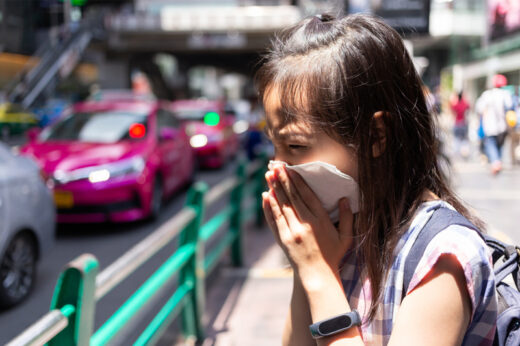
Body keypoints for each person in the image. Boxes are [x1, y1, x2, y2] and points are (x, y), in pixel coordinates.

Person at [256, 14, 497, 345]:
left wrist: (318, 274)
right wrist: (306, 265)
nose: (278, 167)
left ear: (375, 137)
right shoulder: (338, 237)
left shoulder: (442, 255)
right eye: (274, 144)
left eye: (295, 145)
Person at [475, 74, 513, 175]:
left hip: (490, 126)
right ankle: (497, 161)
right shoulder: (506, 94)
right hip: (503, 126)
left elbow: (479, 109)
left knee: (491, 144)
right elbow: (510, 109)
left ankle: (496, 162)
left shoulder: (487, 95)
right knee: (499, 144)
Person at [450, 91, 471, 158]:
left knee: (456, 139)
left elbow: (451, 108)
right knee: (464, 139)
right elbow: (469, 106)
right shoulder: (464, 103)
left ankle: (457, 153)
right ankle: (465, 153)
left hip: (457, 123)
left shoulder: (456, 104)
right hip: (464, 123)